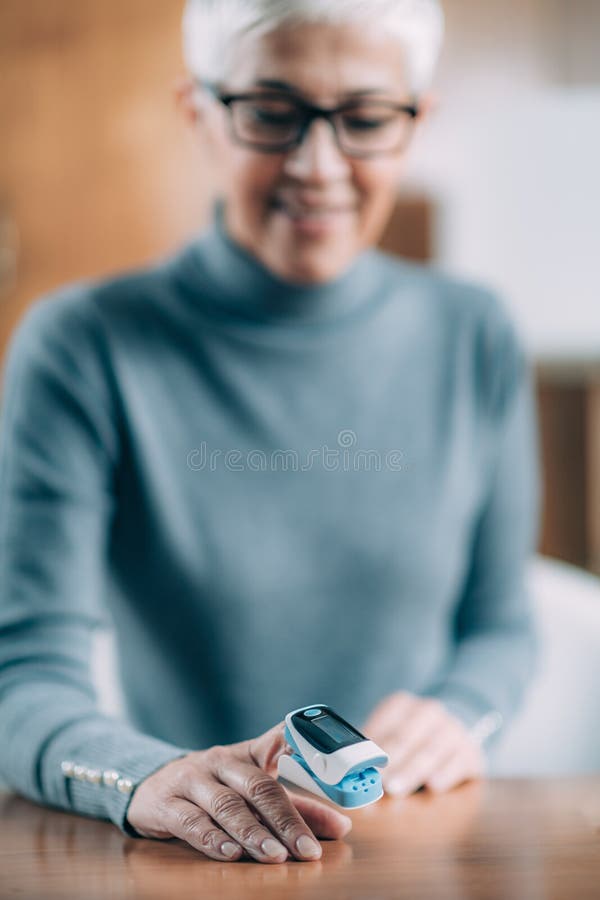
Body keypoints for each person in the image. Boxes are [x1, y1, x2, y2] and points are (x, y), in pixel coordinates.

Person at [0, 0, 540, 865]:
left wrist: (461, 713)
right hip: (187, 856)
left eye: (364, 119)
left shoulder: (475, 333)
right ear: (199, 115)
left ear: (415, 124)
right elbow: (22, 676)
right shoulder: (82, 343)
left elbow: (502, 624)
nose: (317, 165)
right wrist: (145, 779)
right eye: (270, 114)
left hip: (416, 853)